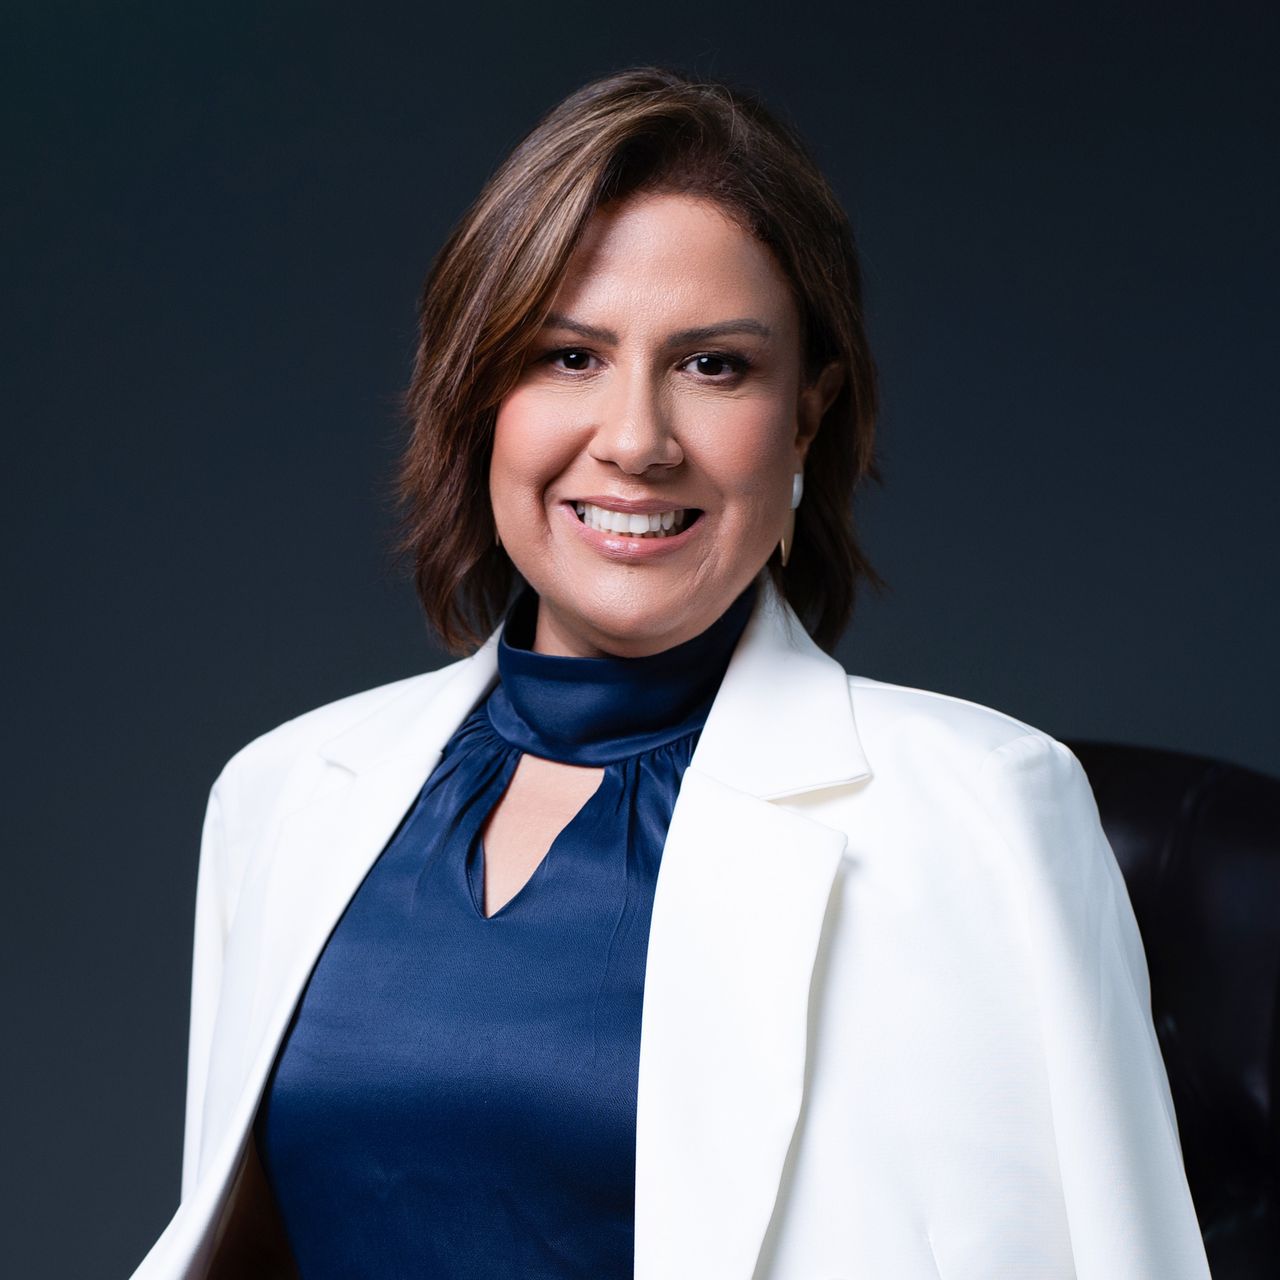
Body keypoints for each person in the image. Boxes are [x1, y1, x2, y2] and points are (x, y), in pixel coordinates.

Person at [131, 66, 1211, 1279]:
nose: (636, 440)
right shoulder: (283, 792)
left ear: (805, 417)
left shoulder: (983, 813)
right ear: (479, 395)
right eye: (567, 355)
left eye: (713, 366)